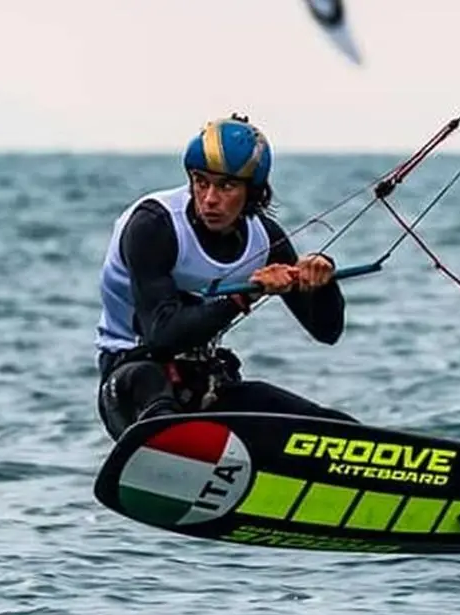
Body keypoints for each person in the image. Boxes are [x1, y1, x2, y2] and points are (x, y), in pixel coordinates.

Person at [93, 113, 358, 441]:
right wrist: (247, 294)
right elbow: (163, 336)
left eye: (227, 186)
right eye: (201, 182)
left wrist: (321, 279)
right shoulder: (155, 225)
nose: (209, 199)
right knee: (153, 387)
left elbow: (326, 330)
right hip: (132, 382)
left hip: (204, 383)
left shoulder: (264, 239)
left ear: (253, 191)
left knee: (335, 429)